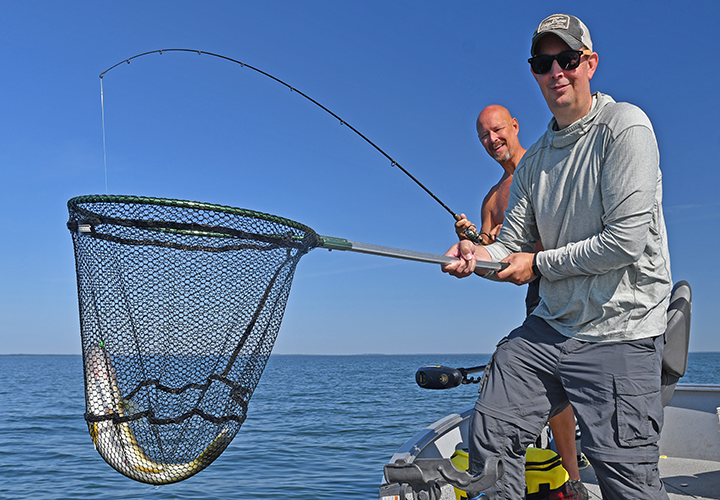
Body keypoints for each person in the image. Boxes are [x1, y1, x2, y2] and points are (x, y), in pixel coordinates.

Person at [442, 13, 672, 500]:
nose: (556, 73)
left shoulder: (625, 127)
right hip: (551, 326)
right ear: (535, 74)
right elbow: (511, 248)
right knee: (492, 429)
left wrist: (538, 265)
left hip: (621, 330)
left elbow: (625, 242)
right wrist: (476, 255)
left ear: (589, 63)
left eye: (567, 60)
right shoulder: (535, 161)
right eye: (543, 64)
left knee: (627, 480)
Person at [455, 104, 585, 487]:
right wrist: (473, 245)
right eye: (483, 136)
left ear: (514, 126)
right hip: (537, 293)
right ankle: (570, 482)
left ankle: (577, 475)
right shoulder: (493, 200)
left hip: (575, 277)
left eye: (497, 130)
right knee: (550, 385)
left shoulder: (547, 163)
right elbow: (494, 255)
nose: (492, 140)